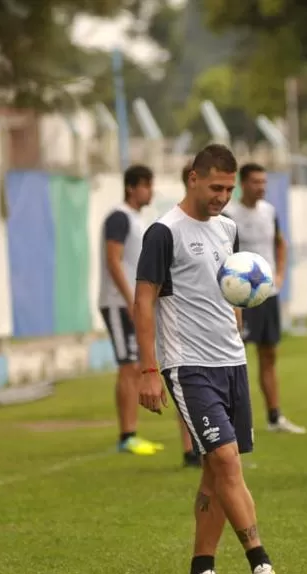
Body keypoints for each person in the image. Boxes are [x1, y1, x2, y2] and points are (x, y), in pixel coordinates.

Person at [135, 144, 277, 574]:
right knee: (225, 461)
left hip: (231, 362)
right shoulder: (163, 232)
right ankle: (262, 563)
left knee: (215, 473)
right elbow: (143, 300)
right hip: (187, 365)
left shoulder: (228, 229)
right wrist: (147, 369)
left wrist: (238, 325)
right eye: (216, 186)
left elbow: (228, 292)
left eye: (229, 189)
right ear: (192, 178)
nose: (222, 196)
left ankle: (201, 571)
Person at [100, 164, 201, 467]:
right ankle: (127, 434)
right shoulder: (118, 217)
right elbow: (113, 260)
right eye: (146, 185)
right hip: (119, 303)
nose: (150, 191)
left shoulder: (136, 219)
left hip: (133, 303)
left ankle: (132, 434)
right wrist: (133, 300)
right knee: (129, 367)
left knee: (134, 365)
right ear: (132, 187)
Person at [223, 163, 306, 434]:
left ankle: (274, 417)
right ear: (242, 184)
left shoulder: (269, 212)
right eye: (256, 182)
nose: (262, 187)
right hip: (239, 299)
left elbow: (281, 243)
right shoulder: (229, 215)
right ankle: (232, 419)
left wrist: (280, 274)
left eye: (264, 182)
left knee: (269, 354)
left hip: (267, 295)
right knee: (236, 357)